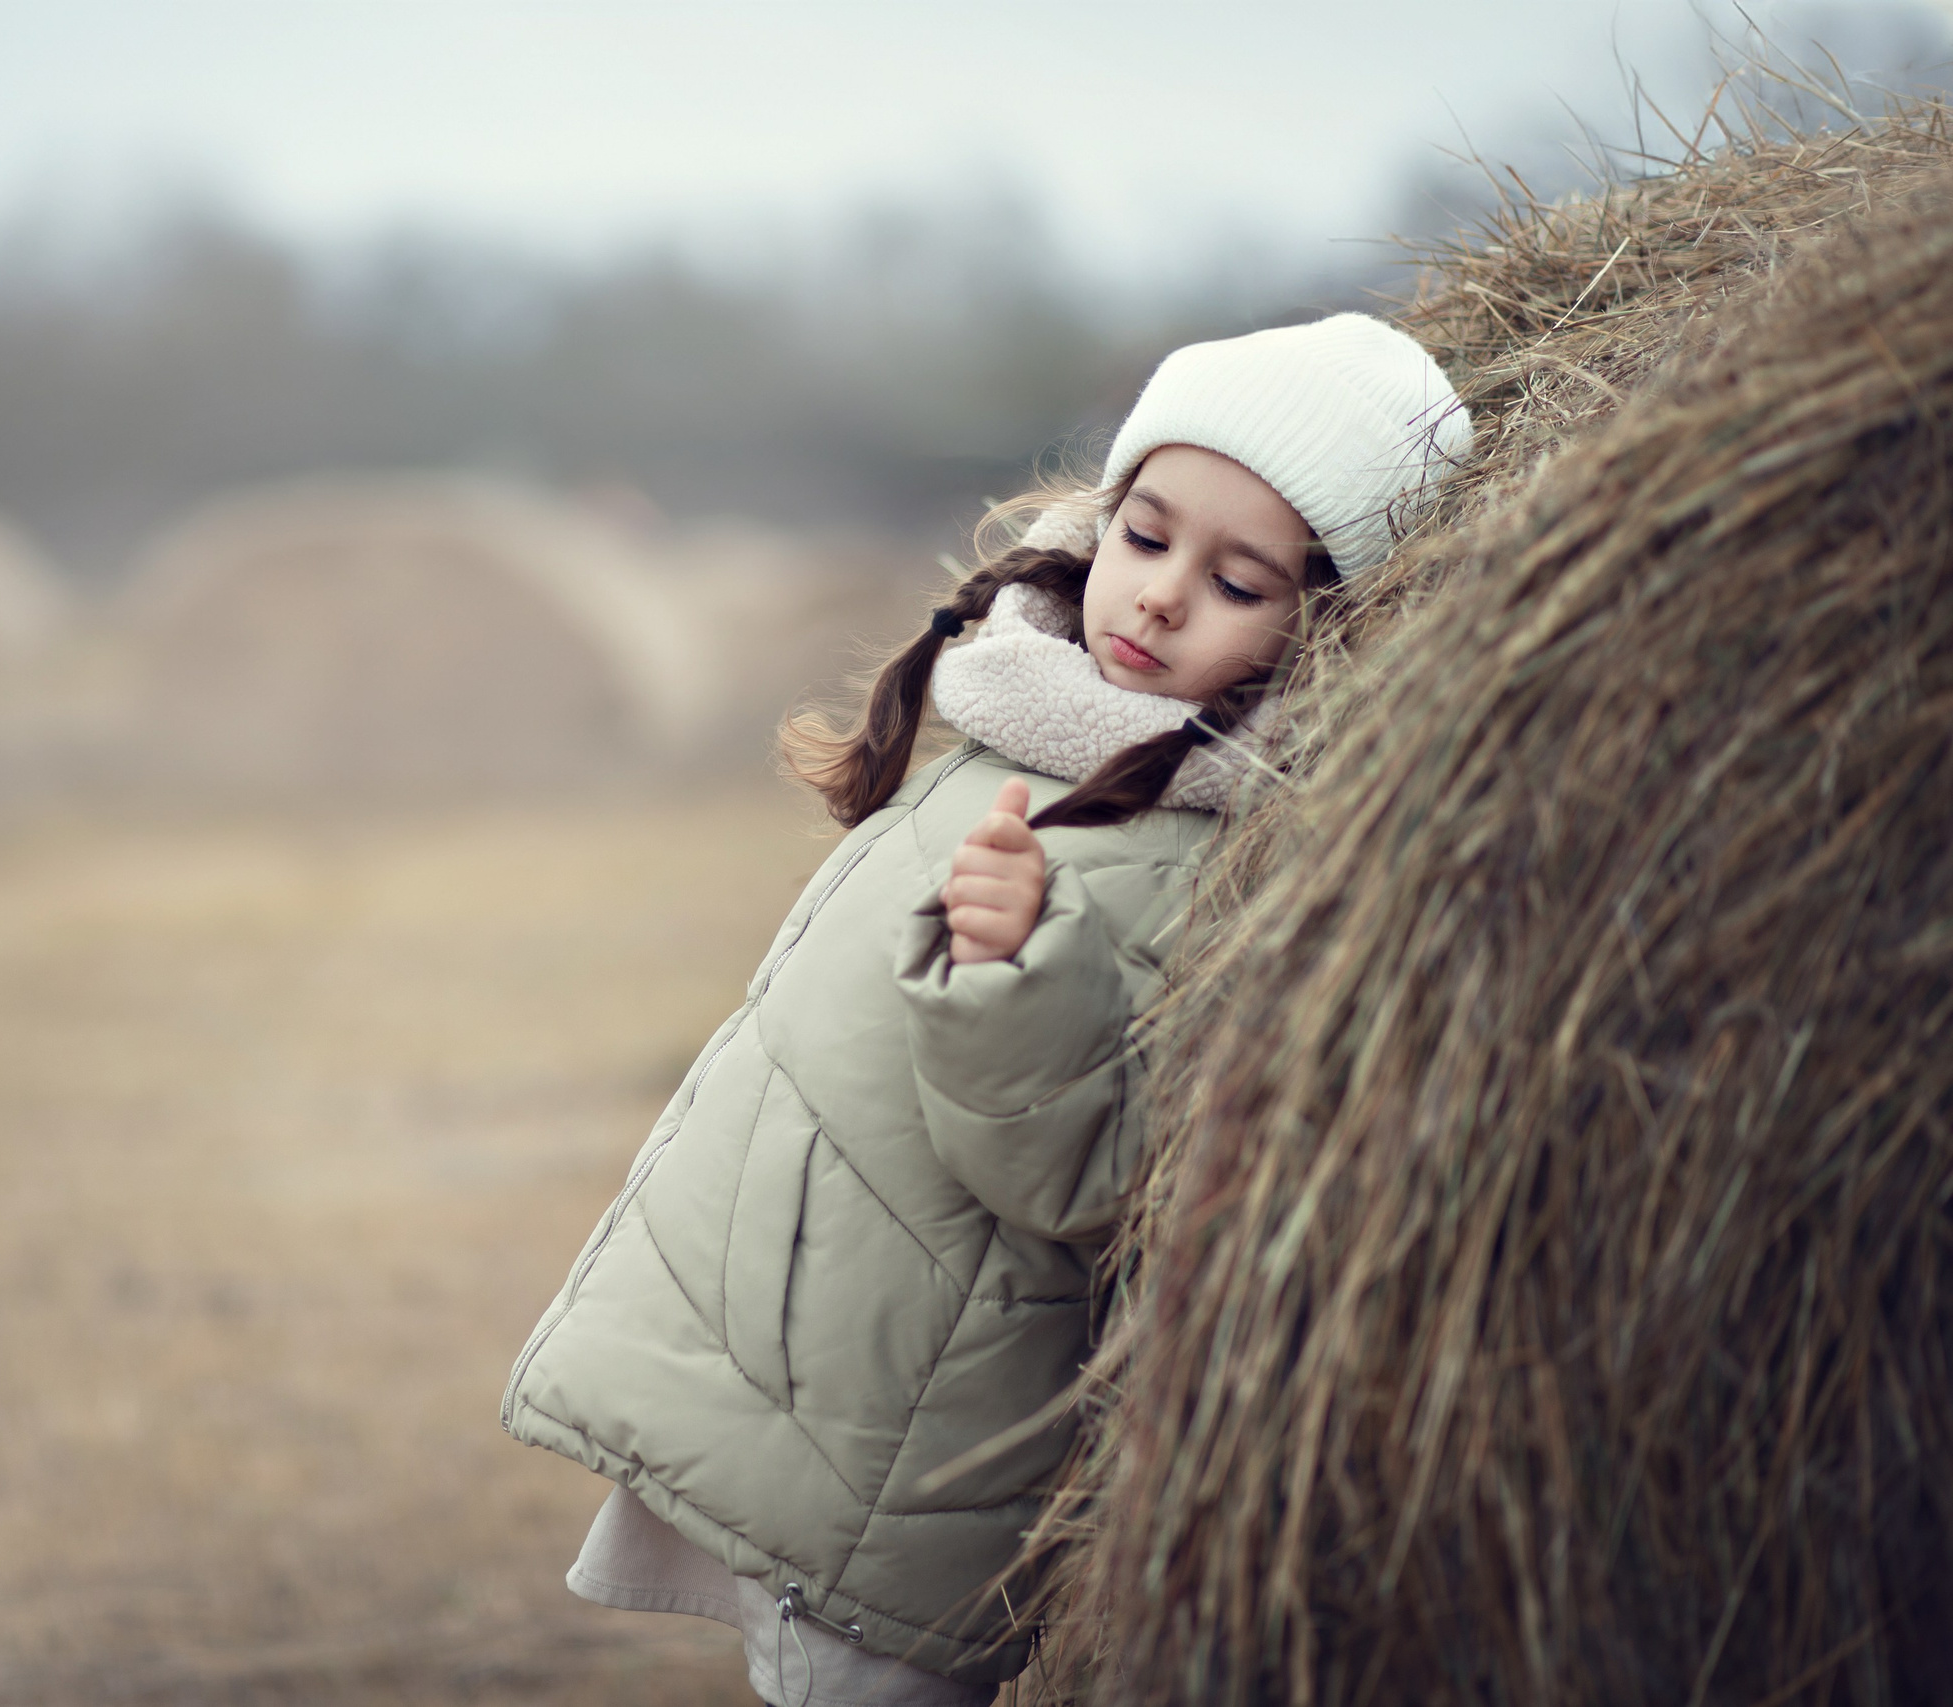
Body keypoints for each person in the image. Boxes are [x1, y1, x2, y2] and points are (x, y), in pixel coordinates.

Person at [499, 313, 1471, 1706]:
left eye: (1237, 580)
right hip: (818, 1369)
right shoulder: (1029, 716)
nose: (1158, 599)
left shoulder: (1223, 850)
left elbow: (1096, 1179)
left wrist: (1020, 978)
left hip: (915, 1451)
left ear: (1330, 624)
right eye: (1145, 539)